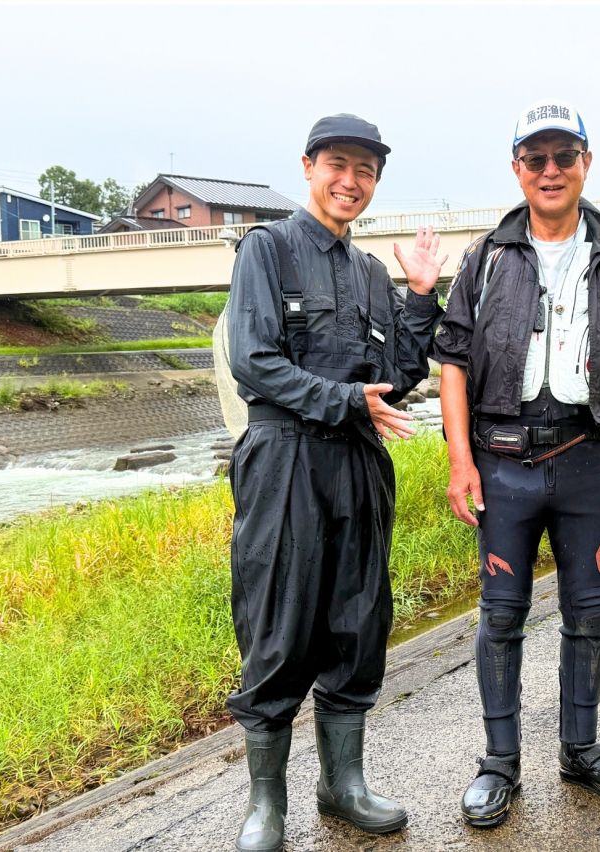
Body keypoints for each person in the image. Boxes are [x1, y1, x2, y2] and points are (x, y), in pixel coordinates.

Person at [431, 99, 600, 828]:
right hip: (502, 464)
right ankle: (500, 763)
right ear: (517, 168)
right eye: (536, 158)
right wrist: (460, 460)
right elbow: (451, 360)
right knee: (501, 615)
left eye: (564, 157)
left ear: (586, 162)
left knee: (590, 612)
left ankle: (581, 749)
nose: (550, 171)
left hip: (587, 460)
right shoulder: (487, 258)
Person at [225, 113, 446, 850]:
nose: (351, 182)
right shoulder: (267, 248)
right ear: (308, 167)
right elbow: (254, 360)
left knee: (358, 620)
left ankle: (342, 784)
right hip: (284, 457)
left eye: (366, 171)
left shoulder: (371, 274)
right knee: (278, 623)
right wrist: (347, 400)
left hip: (357, 460)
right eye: (338, 166)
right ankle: (266, 803)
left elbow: (399, 378)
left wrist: (421, 295)